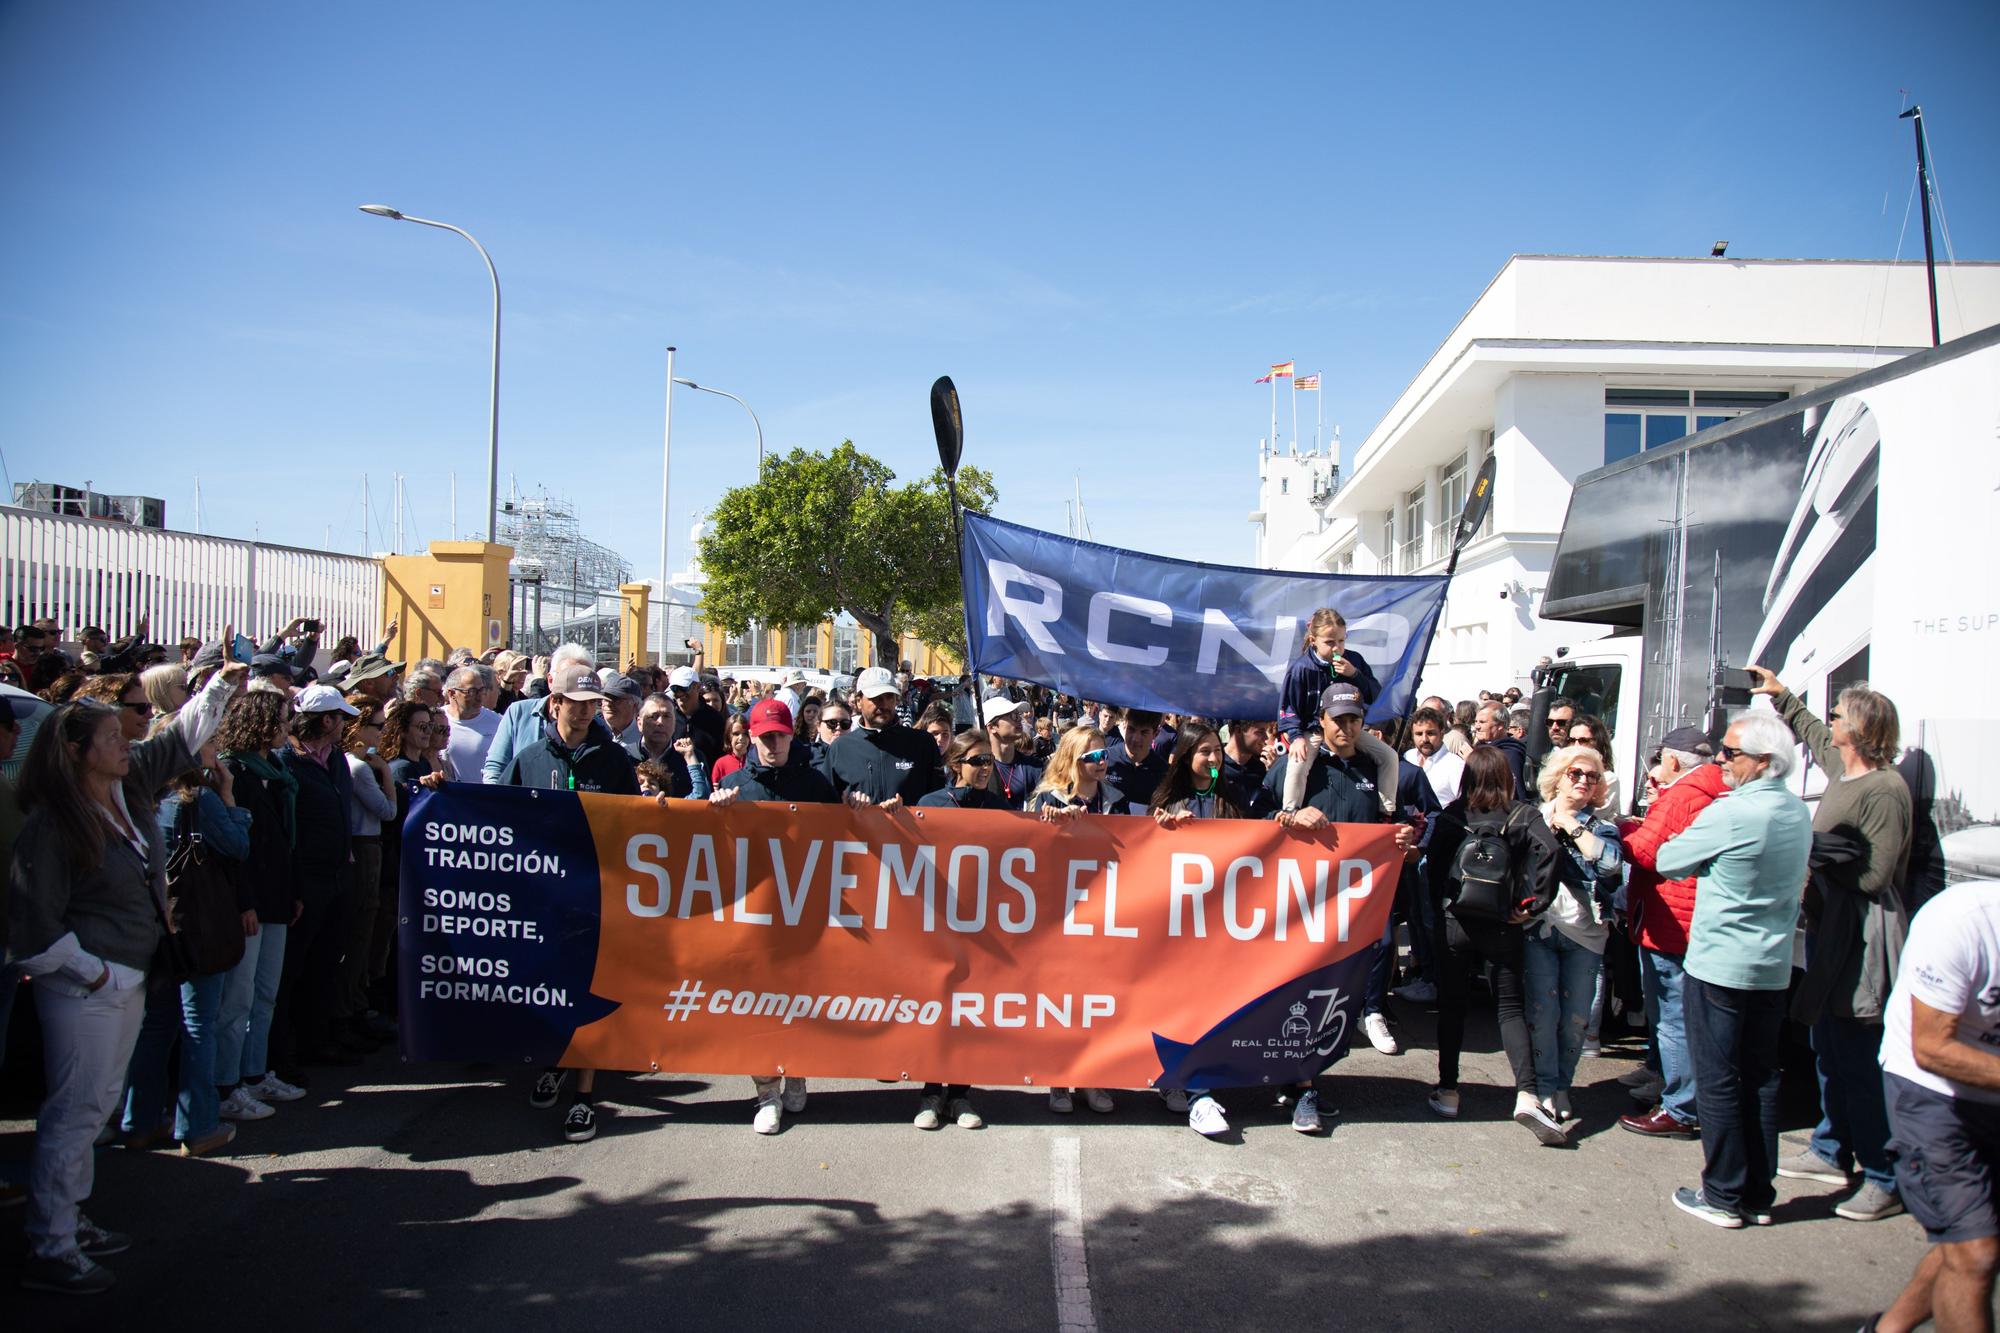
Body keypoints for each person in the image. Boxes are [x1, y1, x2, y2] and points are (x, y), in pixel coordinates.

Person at [9, 661, 243, 1294]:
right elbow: (31, 929)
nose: (129, 741)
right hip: (88, 986)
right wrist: (92, 974)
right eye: (114, 736)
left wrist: (221, 687)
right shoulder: (56, 823)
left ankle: (69, 1217)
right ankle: (50, 1242)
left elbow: (178, 739)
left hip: (125, 977)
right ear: (76, 752)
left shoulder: (126, 790)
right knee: (74, 1112)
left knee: (91, 1109)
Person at [1752, 668, 1915, 1223]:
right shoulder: (1846, 771)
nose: (1833, 724)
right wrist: (1781, 695)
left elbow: (1875, 875)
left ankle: (1884, 1174)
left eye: (1841, 716)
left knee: (1857, 1054)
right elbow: (1814, 733)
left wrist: (1811, 857)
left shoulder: (1886, 790)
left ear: (1863, 728)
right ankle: (1830, 1148)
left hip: (1861, 934)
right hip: (1828, 927)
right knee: (1827, 1044)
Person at [1656, 711, 1813, 1229]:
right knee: (1762, 1076)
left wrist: (1708, 861)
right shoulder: (1794, 810)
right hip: (1771, 964)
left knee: (1719, 1078)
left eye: (1731, 753)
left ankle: (1723, 1193)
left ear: (1764, 762)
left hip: (1722, 962)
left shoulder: (1735, 812)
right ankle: (1756, 1194)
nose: (1721, 760)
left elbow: (1670, 858)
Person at [1260, 682, 1417, 1133]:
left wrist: (1403, 841)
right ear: (1322, 721)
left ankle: (1304, 1080)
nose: (1347, 727)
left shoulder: (1376, 765)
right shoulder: (1300, 762)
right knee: (1299, 996)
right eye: (1339, 719)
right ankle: (1300, 1086)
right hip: (1304, 904)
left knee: (1338, 996)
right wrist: (1290, 817)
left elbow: (1397, 827)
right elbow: (1257, 818)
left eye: (1355, 719)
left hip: (1359, 907)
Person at [1867, 880, 2000, 1333]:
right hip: (1928, 1086)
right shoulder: (1962, 921)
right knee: (1977, 1253)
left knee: (1967, 1244)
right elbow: (1931, 1048)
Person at [122, 725, 255, 1156]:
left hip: (158, 921)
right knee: (199, 1026)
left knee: (157, 1024)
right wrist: (231, 797)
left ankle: (139, 1121)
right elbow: (237, 846)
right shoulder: (202, 799)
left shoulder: (144, 797)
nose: (218, 750)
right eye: (212, 743)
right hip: (198, 925)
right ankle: (197, 1125)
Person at [710, 699, 837, 1134]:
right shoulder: (737, 786)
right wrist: (715, 813)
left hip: (803, 914)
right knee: (758, 1005)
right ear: (752, 738)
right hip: (754, 916)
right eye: (765, 736)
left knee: (800, 999)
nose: (773, 743)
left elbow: (845, 838)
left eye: (780, 734)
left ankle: (796, 1071)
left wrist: (857, 806)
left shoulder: (816, 783)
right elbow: (712, 850)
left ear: (791, 735)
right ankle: (766, 1090)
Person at [1424, 746, 1563, 1143]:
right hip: (1503, 923)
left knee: (1452, 1006)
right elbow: (1550, 852)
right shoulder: (1522, 815)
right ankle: (1527, 1093)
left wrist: (1441, 908)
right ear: (1507, 777)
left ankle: (1448, 1089)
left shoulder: (1453, 814)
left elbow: (1433, 869)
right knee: (1509, 1007)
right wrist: (1532, 905)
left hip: (1456, 922)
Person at [1617, 726, 1728, 1142]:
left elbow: (1648, 850)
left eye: (1660, 758)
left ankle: (1679, 1107)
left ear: (1674, 761)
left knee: (1672, 1015)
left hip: (1673, 918)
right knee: (1676, 1013)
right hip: (1688, 915)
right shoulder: (1712, 788)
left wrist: (1620, 830)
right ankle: (1666, 1082)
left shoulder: (1684, 794)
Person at [1147, 723, 1252, 1137]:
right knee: (1181, 1007)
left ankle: (1194, 1084)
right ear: (1187, 755)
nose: (1212, 759)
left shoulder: (1234, 798)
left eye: (1216, 751)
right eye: (1204, 751)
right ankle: (1197, 1094)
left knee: (1216, 1008)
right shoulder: (1167, 799)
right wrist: (1165, 827)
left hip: (1223, 924)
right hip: (1178, 927)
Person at [905, 730, 1008, 1131]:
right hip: (937, 924)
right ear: (956, 765)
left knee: (969, 1010)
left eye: (989, 762)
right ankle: (931, 1093)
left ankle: (961, 1093)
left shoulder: (1000, 808)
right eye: (976, 761)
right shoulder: (930, 805)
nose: (984, 769)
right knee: (936, 1008)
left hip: (982, 929)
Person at [215, 690, 307, 1121]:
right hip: (247, 902)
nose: (288, 727)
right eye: (282, 720)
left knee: (265, 994)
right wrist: (242, 902)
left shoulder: (276, 769)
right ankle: (226, 1085)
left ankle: (255, 1074)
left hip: (277, 897)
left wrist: (292, 893)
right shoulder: (233, 771)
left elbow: (283, 845)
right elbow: (236, 850)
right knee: (237, 999)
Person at [1522, 744, 1623, 1130]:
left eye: (1592, 777)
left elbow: (1611, 865)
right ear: (1558, 777)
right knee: (1544, 1014)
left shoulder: (1601, 827)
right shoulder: (1533, 817)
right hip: (1540, 928)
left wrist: (1574, 826)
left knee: (1575, 1019)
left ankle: (1563, 1084)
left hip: (1586, 934)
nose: (1583, 782)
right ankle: (1547, 1088)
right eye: (1575, 774)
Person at [1027, 726, 1125, 1116]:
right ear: (1072, 760)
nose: (1101, 763)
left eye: (1104, 756)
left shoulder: (1116, 800)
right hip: (1060, 916)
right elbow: (1025, 849)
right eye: (1092, 758)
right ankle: (1058, 1080)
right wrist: (1047, 822)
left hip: (1105, 912)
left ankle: (1092, 1078)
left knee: (1096, 1001)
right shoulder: (1046, 800)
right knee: (1062, 1001)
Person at [276, 684, 361, 1075]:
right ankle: (282, 1052)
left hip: (338, 872)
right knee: (295, 967)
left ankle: (318, 1039)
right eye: (340, 717)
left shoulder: (337, 760)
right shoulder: (287, 761)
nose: (345, 724)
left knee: (329, 961)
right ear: (326, 720)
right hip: (306, 877)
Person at [1275, 608, 1398, 816]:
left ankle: (1387, 812)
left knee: (1389, 756)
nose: (1337, 648)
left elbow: (1375, 694)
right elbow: (1288, 709)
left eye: (1341, 641)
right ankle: (1290, 812)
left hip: (1349, 729)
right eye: (1330, 642)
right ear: (1313, 640)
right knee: (1297, 764)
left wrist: (1355, 675)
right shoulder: (1302, 668)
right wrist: (1296, 737)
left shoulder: (1354, 660)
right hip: (1314, 730)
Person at [334, 701, 399, 1052]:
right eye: (376, 726)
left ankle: (356, 1006)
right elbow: (388, 811)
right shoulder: (359, 768)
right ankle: (350, 1010)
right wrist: (386, 774)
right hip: (364, 848)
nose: (381, 732)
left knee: (366, 935)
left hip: (365, 848)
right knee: (359, 935)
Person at [501, 665, 639, 795]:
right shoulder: (530, 759)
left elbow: (633, 813)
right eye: (578, 701)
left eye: (592, 702)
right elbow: (499, 808)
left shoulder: (615, 759)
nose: (586, 710)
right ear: (556, 701)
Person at [818, 666, 943, 809]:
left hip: (911, 831)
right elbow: (825, 804)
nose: (884, 704)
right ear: (859, 701)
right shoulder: (840, 748)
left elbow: (939, 799)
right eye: (875, 698)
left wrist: (907, 810)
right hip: (859, 831)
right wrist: (847, 801)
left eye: (889, 697)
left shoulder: (922, 743)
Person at [482, 643, 594, 783]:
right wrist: (498, 801)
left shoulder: (595, 725)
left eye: (583, 678)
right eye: (568, 678)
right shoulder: (519, 713)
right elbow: (495, 768)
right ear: (550, 680)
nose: (576, 684)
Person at [627, 692, 709, 798]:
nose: (660, 722)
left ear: (675, 723)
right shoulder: (625, 756)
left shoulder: (692, 758)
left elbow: (704, 798)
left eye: (667, 716)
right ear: (639, 723)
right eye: (653, 716)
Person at [1102, 708, 1169, 816]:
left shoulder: (1163, 771)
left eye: (1144, 733)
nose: (1135, 739)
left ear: (1156, 734)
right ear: (1124, 725)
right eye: (1131, 729)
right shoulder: (1105, 758)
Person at [441, 665, 502, 781]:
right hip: (447, 796)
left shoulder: (497, 723)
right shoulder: (437, 719)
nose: (479, 698)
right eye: (472, 692)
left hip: (481, 796)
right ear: (451, 693)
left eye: (481, 690)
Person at [1405, 705, 1464, 808]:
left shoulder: (1456, 766)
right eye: (1419, 734)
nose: (1425, 739)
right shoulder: (1408, 757)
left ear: (1442, 733)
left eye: (1430, 733)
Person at [597, 669, 645, 748]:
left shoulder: (644, 739)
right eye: (606, 698)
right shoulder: (594, 733)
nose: (609, 704)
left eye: (616, 699)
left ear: (635, 706)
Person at [712, 713, 752, 782]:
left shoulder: (756, 762)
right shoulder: (721, 764)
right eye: (736, 734)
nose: (741, 738)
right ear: (728, 736)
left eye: (745, 733)